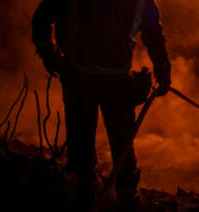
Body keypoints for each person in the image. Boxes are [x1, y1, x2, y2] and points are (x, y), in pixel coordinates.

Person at [32, 0, 171, 209]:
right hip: (109, 79)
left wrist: (50, 56)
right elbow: (152, 32)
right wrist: (163, 72)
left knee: (85, 138)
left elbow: (41, 20)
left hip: (80, 77)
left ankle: (87, 191)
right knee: (119, 139)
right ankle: (121, 195)